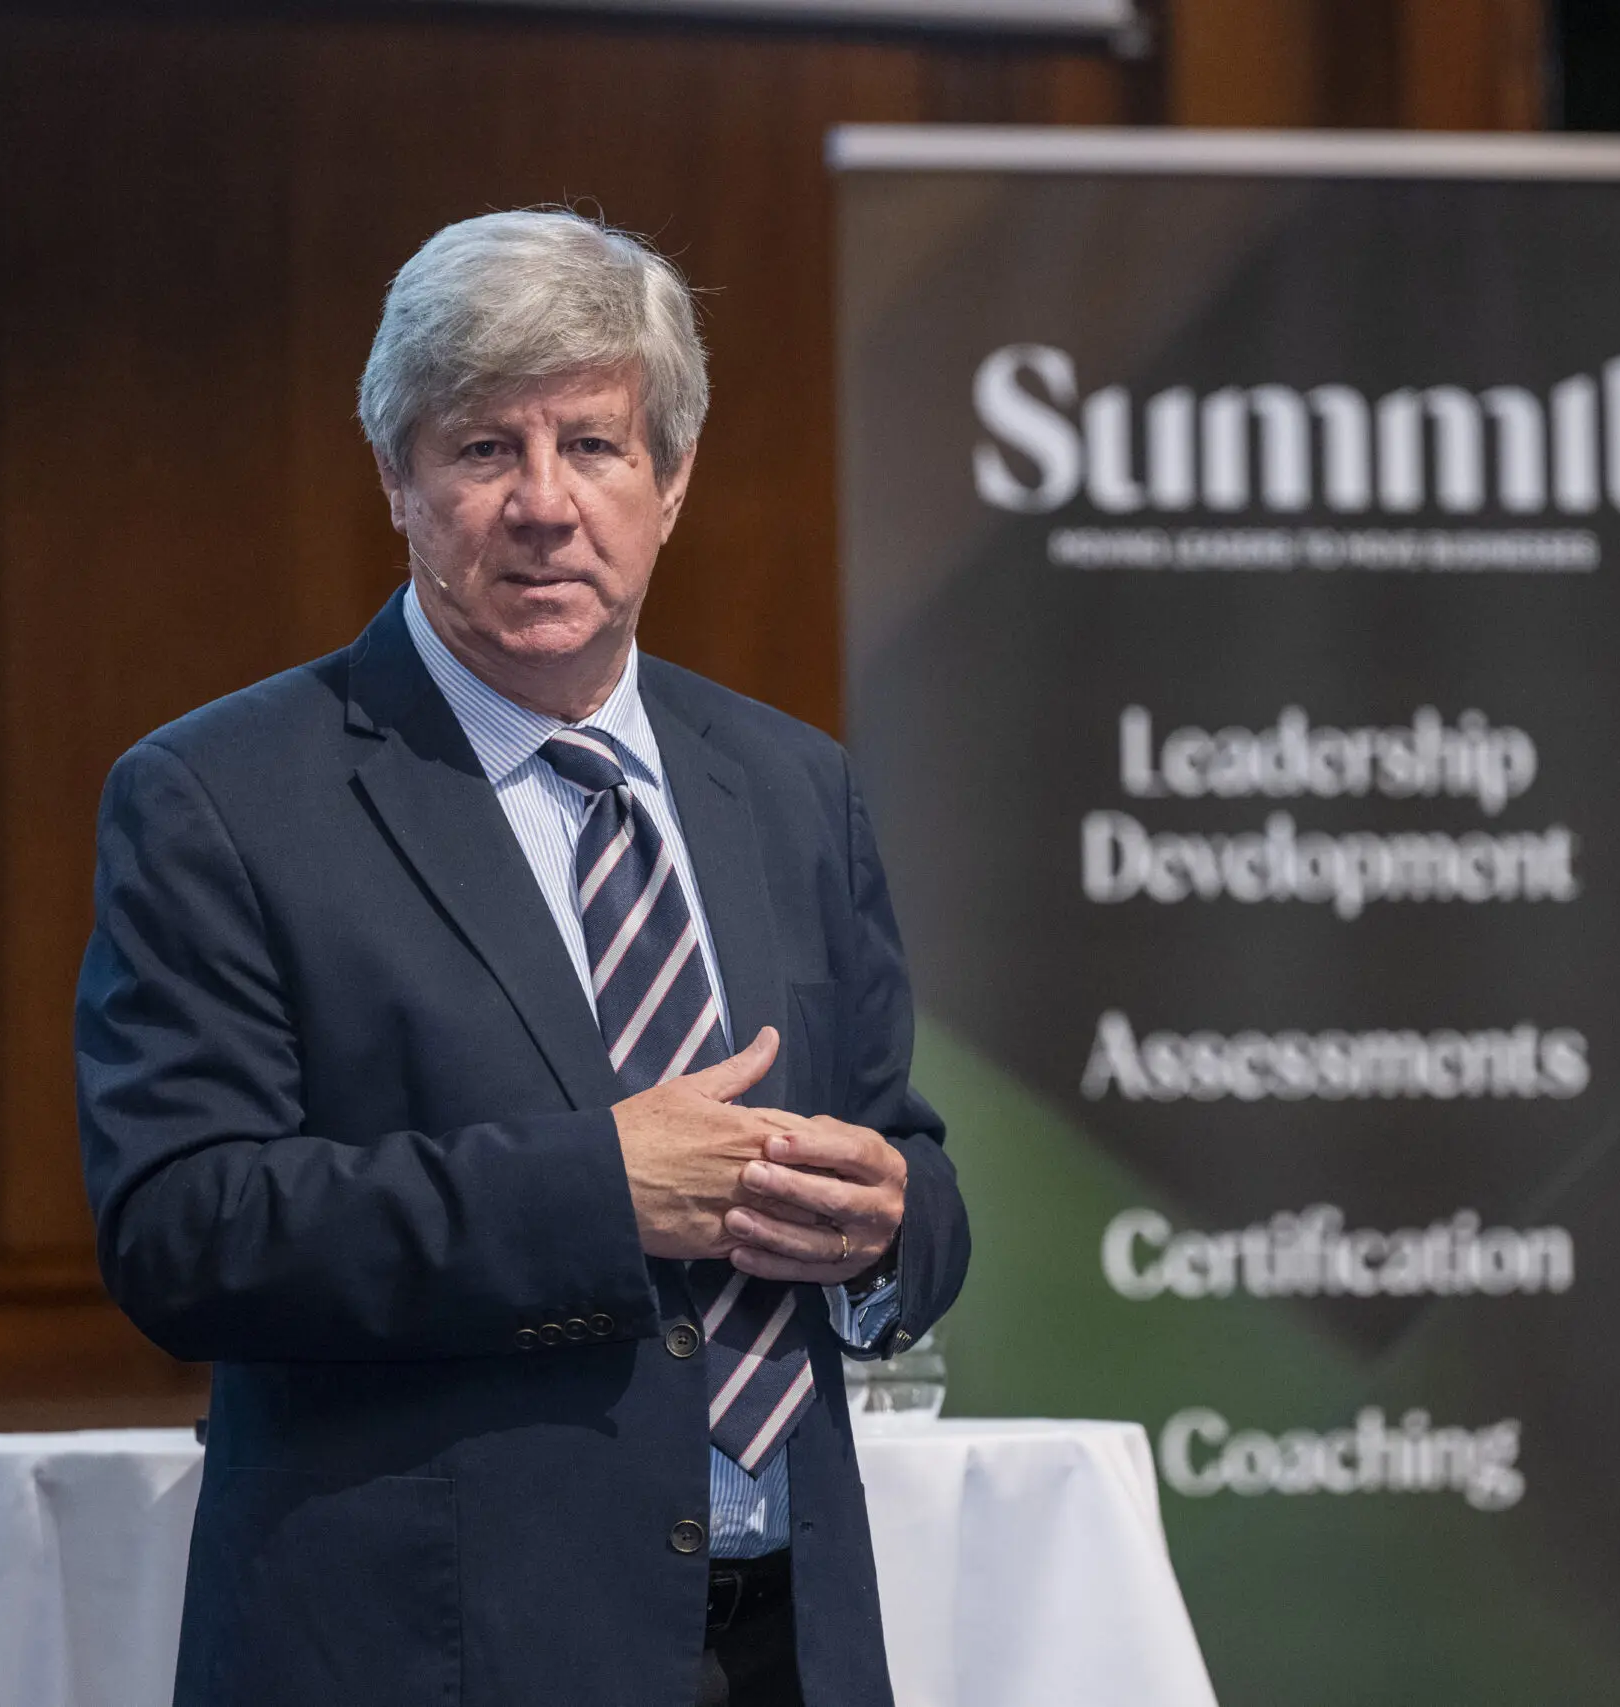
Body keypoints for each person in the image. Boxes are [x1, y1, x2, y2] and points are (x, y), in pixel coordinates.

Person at [74, 208, 967, 1707]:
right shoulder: (220, 797)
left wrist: (882, 1232)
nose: (545, 505)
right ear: (396, 479)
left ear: (672, 479)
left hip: (788, 1647)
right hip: (433, 1658)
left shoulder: (792, 784)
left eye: (595, 446)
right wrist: (599, 1190)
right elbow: (183, 1230)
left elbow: (906, 1155)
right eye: (486, 449)